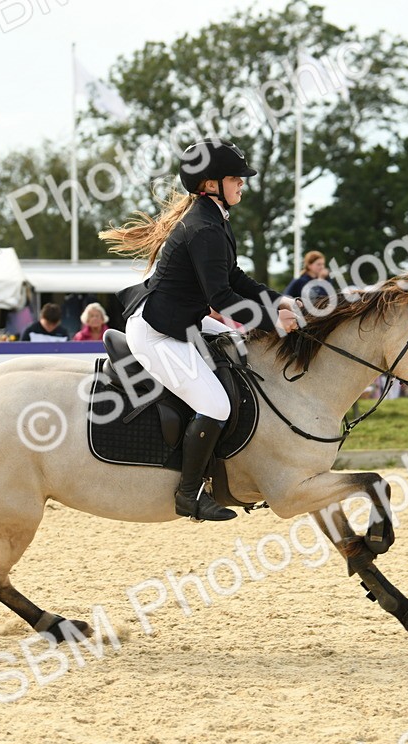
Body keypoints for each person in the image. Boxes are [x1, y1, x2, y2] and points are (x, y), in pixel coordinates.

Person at [102, 138, 301, 522]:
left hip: (181, 320)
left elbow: (234, 277)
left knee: (242, 351)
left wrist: (279, 301)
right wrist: (272, 321)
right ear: (211, 184)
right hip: (158, 333)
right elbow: (221, 297)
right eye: (235, 178)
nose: (242, 183)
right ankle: (189, 494)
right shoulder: (204, 227)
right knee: (215, 405)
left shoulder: (214, 219)